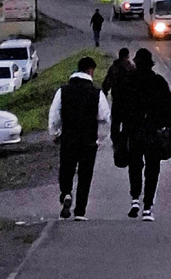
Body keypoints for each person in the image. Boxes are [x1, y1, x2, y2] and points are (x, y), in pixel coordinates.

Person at [112, 48, 171, 222]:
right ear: (151, 63)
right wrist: (167, 127)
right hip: (153, 132)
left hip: (132, 131)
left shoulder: (128, 81)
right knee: (152, 169)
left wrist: (116, 130)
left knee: (135, 165)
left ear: (136, 63)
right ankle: (148, 207)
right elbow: (170, 106)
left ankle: (134, 199)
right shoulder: (158, 81)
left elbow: (118, 106)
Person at [48, 55, 111, 221]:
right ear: (91, 71)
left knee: (66, 170)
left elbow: (54, 116)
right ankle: (80, 211)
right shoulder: (97, 93)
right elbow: (105, 116)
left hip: (68, 138)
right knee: (85, 175)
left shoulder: (63, 91)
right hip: (89, 140)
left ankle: (66, 193)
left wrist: (55, 134)